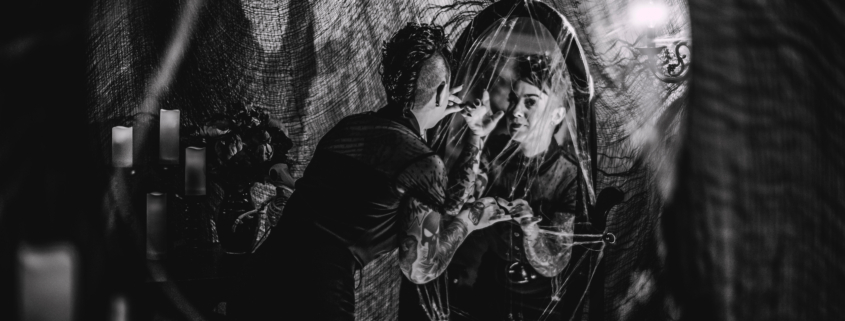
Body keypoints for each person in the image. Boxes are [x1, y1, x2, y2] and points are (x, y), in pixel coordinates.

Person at [228, 22, 509, 321]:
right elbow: (419, 268)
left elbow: (437, 201)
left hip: (254, 282)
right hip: (313, 301)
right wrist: (473, 218)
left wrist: (459, 127)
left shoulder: (347, 128)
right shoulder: (423, 163)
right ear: (442, 92)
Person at [432, 54, 584, 321]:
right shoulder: (495, 150)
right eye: (514, 100)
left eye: (530, 102)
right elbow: (453, 204)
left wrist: (530, 229)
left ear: (558, 113)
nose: (515, 111)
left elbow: (554, 264)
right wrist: (476, 137)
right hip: (491, 288)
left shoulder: (570, 175)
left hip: (543, 303)